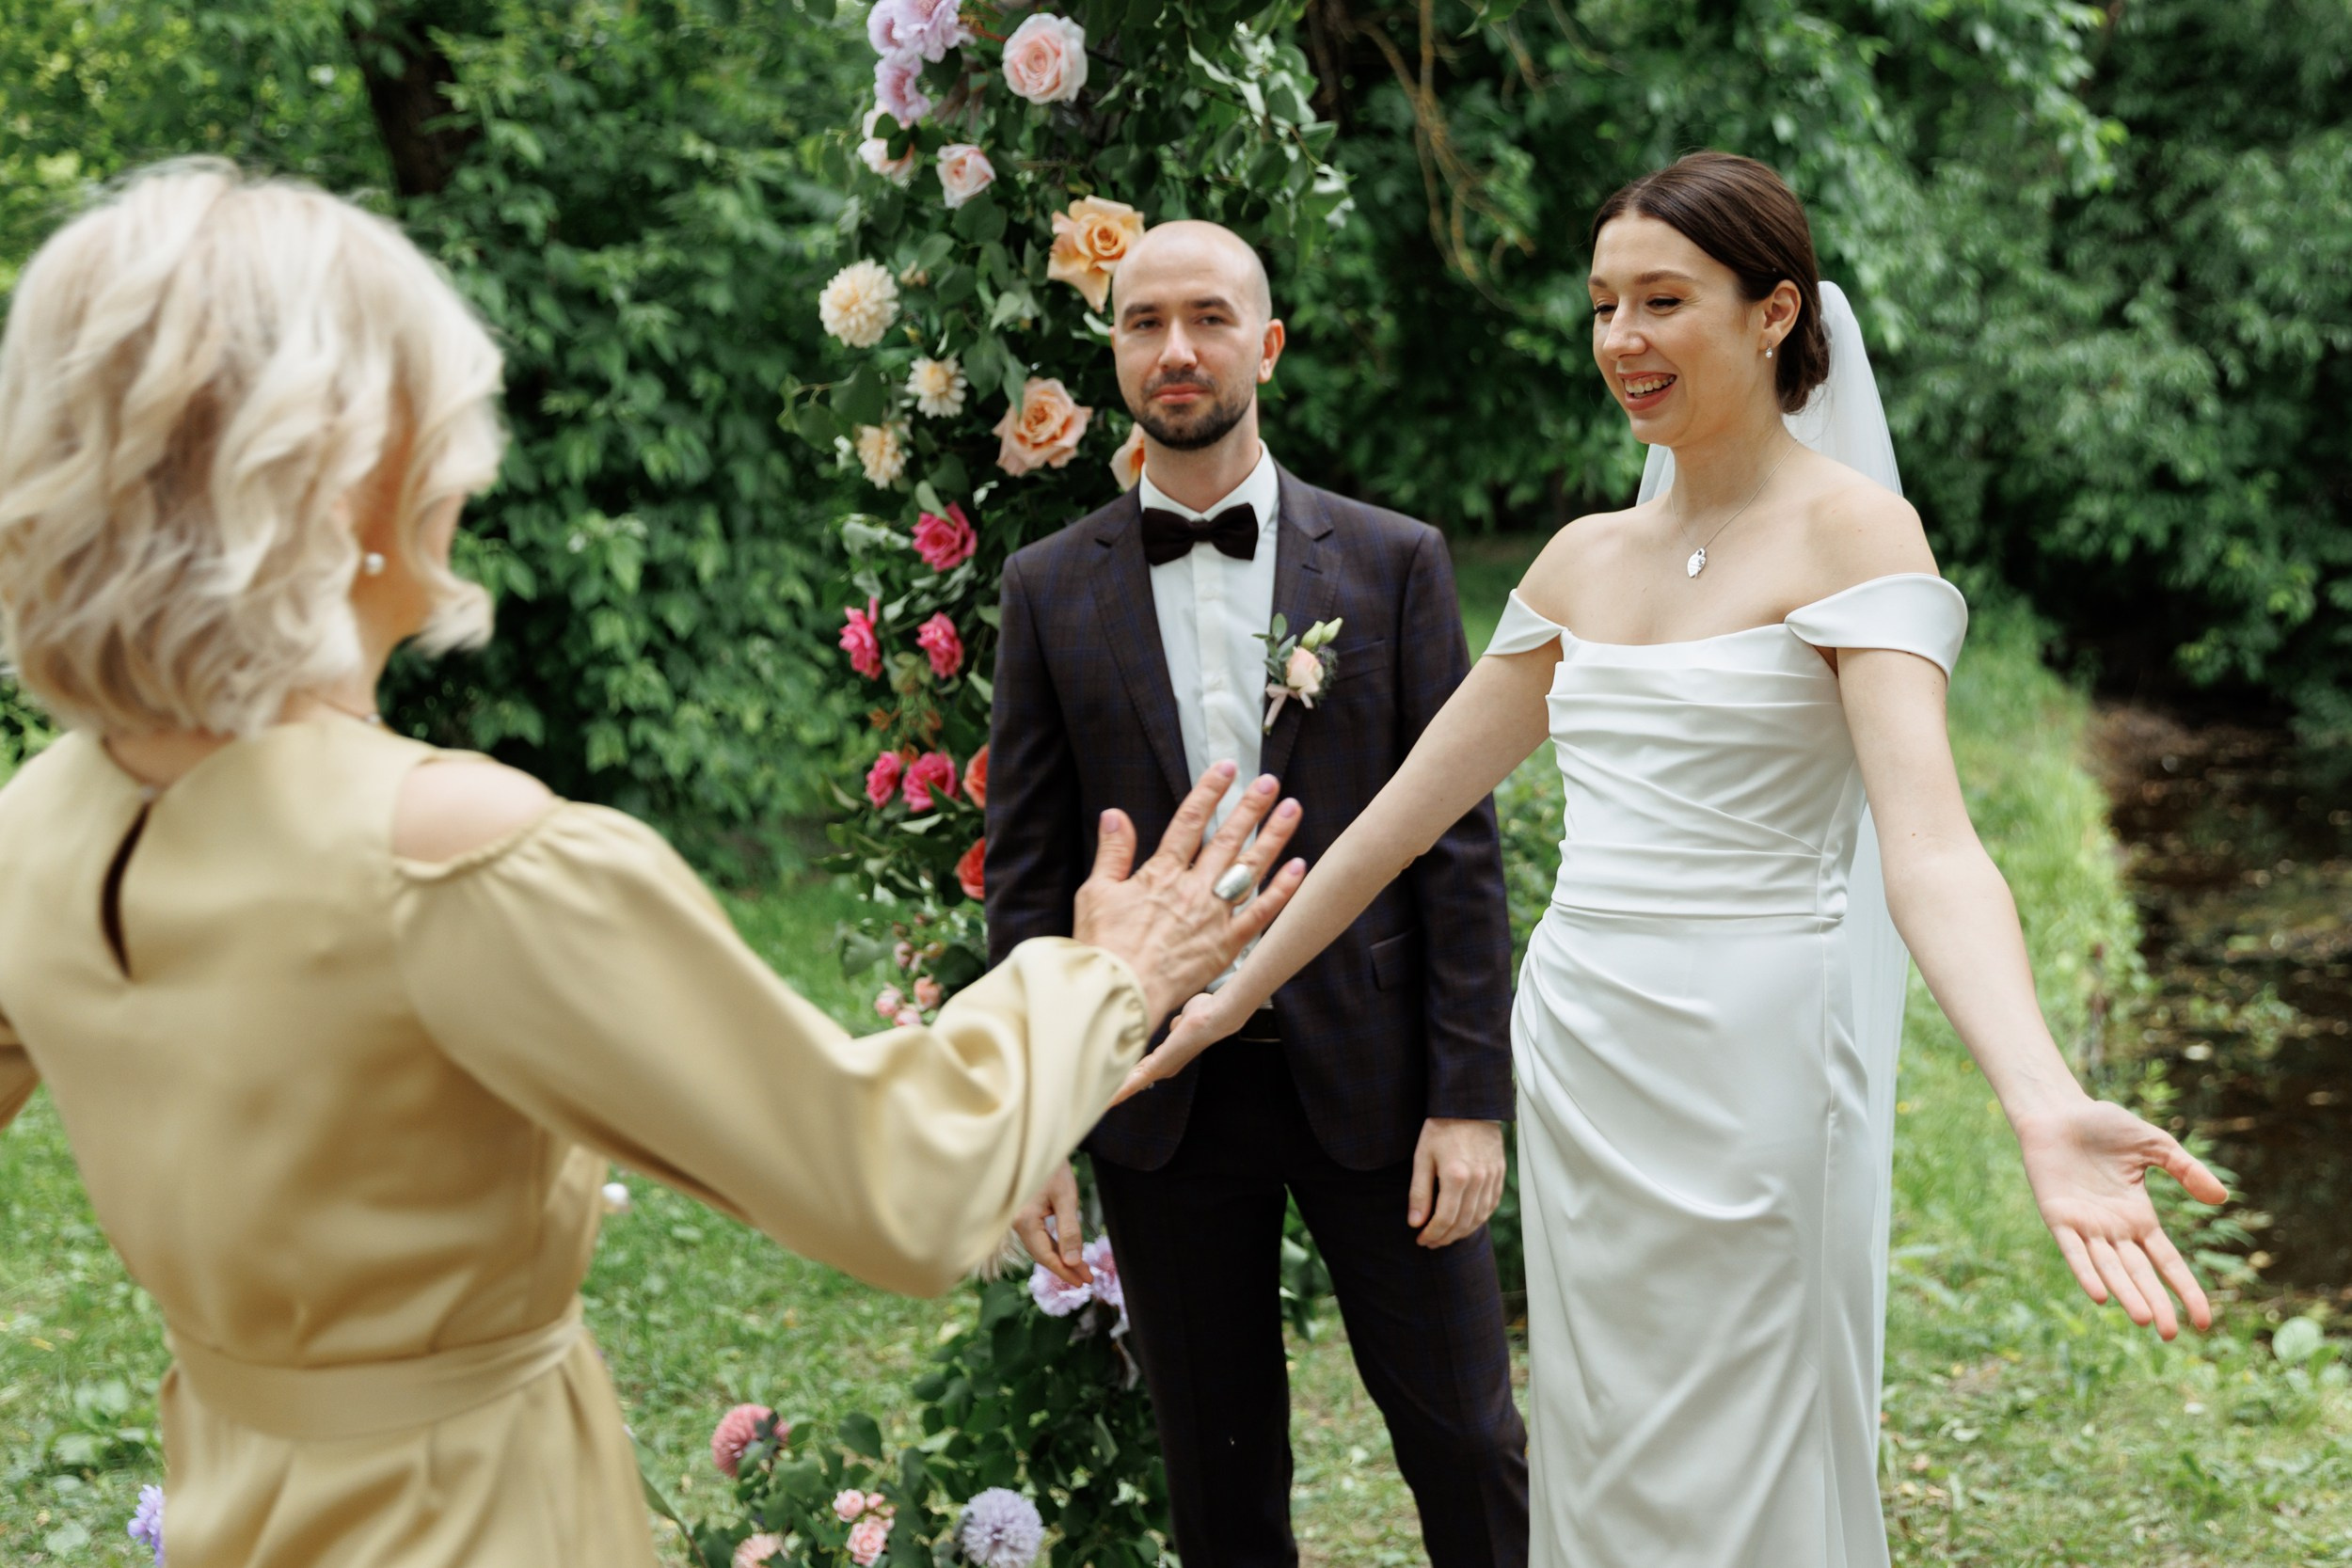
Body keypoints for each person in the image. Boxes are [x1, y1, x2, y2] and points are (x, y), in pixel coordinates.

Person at [0, 160, 1305, 1568]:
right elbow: (897, 1183)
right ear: (350, 474)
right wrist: (1107, 970)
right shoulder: (463, 860)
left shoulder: (35, 826)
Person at [1144, 153, 2229, 1567]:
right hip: (1590, 1052)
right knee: (1604, 1430)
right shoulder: (1585, 558)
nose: (1622, 342)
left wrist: (2039, 1098)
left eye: (1664, 300)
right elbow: (1396, 821)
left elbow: (1935, 844)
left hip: (1764, 1056)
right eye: (1603, 305)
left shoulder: (1853, 531)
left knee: (1757, 1429)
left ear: (1774, 312)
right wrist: (1228, 995)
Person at [985, 219, 1531, 1566]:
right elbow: (1032, 874)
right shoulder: (1050, 591)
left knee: (1468, 1444)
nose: (1178, 349)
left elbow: (1456, 844)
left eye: (1211, 319)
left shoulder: (1394, 563)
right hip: (1162, 1100)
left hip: (1380, 1080)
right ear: (1113, 350)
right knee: (1222, 1487)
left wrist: (1469, 1099)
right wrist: (1038, 1117)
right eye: (1144, 321)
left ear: (1266, 344)